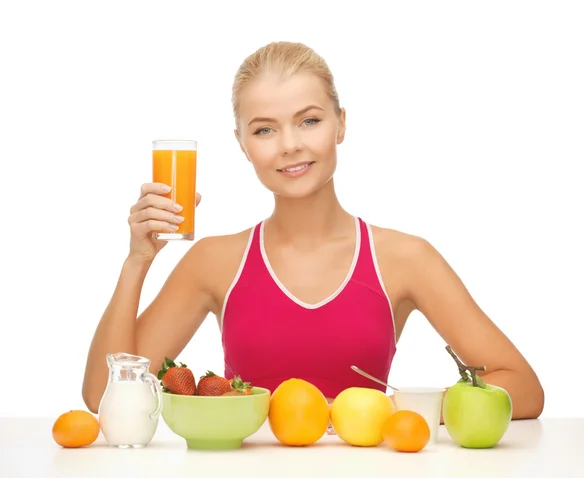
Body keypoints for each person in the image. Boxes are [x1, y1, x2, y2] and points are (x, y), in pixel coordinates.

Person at [82, 41, 544, 420]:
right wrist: (137, 260)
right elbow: (103, 395)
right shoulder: (213, 261)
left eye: (309, 120)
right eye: (264, 130)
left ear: (341, 124)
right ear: (242, 145)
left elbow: (521, 388)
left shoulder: (405, 258)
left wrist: (389, 410)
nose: (290, 145)